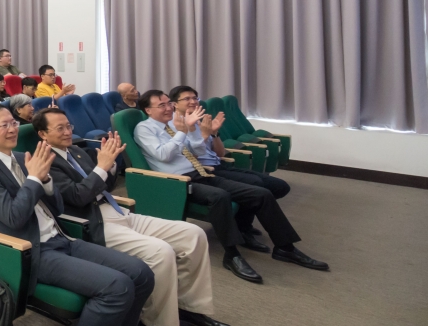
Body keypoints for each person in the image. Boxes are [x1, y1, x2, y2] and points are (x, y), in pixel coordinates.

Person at [0, 103, 154, 326]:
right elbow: (13, 217)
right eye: (4, 125)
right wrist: (33, 179)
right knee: (117, 286)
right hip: (33, 251)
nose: (13, 128)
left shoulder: (22, 158)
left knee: (141, 273)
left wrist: (46, 181)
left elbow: (57, 208)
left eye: (14, 122)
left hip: (61, 237)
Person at [39, 107, 234, 326]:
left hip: (117, 210)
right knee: (160, 252)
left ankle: (189, 307)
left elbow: (105, 186)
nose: (67, 132)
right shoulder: (45, 161)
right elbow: (77, 197)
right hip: (94, 222)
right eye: (59, 128)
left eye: (68, 126)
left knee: (194, 234)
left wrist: (110, 165)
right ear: (43, 134)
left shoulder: (76, 151)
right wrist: (102, 167)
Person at [134, 90, 327, 284]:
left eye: (169, 103)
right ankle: (232, 255)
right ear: (148, 110)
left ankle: (285, 248)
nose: (168, 108)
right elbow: (163, 155)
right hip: (178, 182)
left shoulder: (175, 124)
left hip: (202, 173)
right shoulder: (144, 129)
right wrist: (182, 132)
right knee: (220, 196)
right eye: (162, 105)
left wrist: (194, 131)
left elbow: (197, 151)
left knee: (262, 194)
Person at [168, 85, 291, 201]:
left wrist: (214, 134)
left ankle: (248, 209)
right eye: (187, 99)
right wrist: (204, 135)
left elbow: (220, 153)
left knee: (280, 186)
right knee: (256, 184)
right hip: (204, 170)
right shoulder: (174, 127)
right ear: (174, 104)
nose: (193, 102)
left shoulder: (199, 122)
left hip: (220, 164)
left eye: (195, 98)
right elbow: (188, 158)